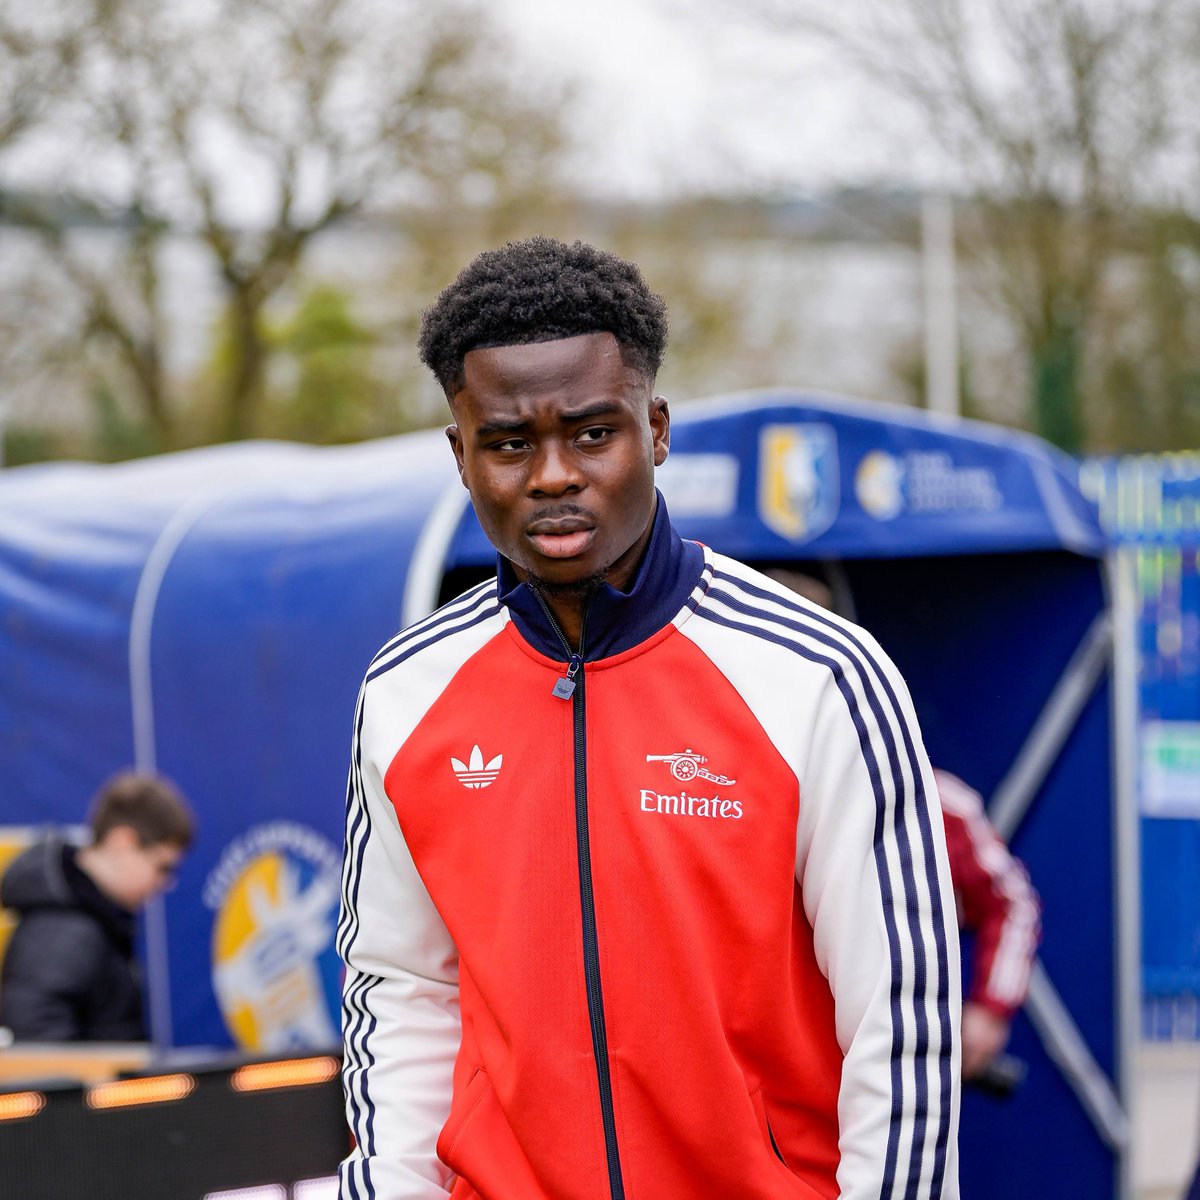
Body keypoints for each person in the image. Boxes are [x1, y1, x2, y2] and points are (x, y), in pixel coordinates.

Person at [338, 237, 961, 1200]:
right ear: (461, 456)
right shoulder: (407, 690)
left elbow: (903, 1019)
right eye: (509, 443)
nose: (553, 475)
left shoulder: (818, 676)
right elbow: (401, 989)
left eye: (593, 433)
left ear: (657, 431)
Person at [0, 770, 194, 1042]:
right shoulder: (63, 930)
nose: (166, 882)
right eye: (162, 866)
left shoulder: (90, 919)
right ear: (122, 842)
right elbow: (36, 1050)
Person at [934, 769, 1040, 1080]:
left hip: (903, 1037)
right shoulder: (812, 794)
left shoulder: (940, 802)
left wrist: (989, 1009)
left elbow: (1013, 904)